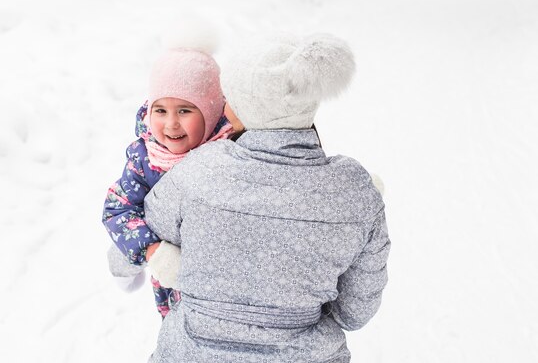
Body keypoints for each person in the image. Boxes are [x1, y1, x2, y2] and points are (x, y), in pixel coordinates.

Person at [143, 33, 390, 362]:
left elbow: (153, 223)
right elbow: (354, 314)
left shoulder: (199, 171)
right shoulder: (354, 191)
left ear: (240, 109)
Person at [101, 42, 233, 318]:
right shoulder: (146, 157)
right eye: (160, 111)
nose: (171, 123)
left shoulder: (232, 151)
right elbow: (119, 208)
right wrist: (153, 251)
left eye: (185, 111)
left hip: (228, 287)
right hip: (173, 285)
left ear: (210, 111)